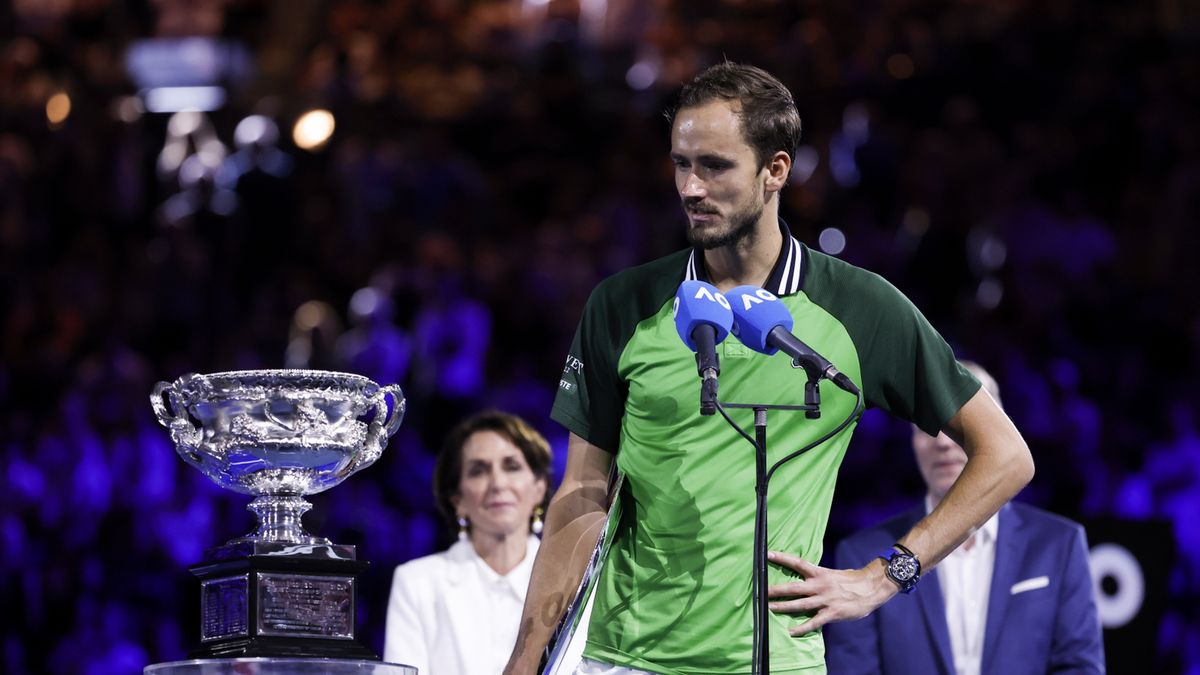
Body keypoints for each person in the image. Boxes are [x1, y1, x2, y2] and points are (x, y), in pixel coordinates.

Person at [504, 62, 1034, 675]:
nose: (690, 188)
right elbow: (582, 492)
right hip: (625, 659)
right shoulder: (623, 304)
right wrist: (524, 661)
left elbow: (1005, 456)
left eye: (715, 166)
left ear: (775, 170)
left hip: (779, 661)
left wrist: (885, 577)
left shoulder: (859, 309)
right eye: (681, 163)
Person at [824, 363, 1104, 675]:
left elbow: (1079, 667)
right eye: (926, 424)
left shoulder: (1059, 546)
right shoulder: (862, 554)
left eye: (961, 425)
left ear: (1001, 432)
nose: (943, 441)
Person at [384, 410, 552, 674]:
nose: (497, 483)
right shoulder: (418, 582)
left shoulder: (570, 583)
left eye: (512, 467)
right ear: (457, 500)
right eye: (478, 471)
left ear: (539, 488)